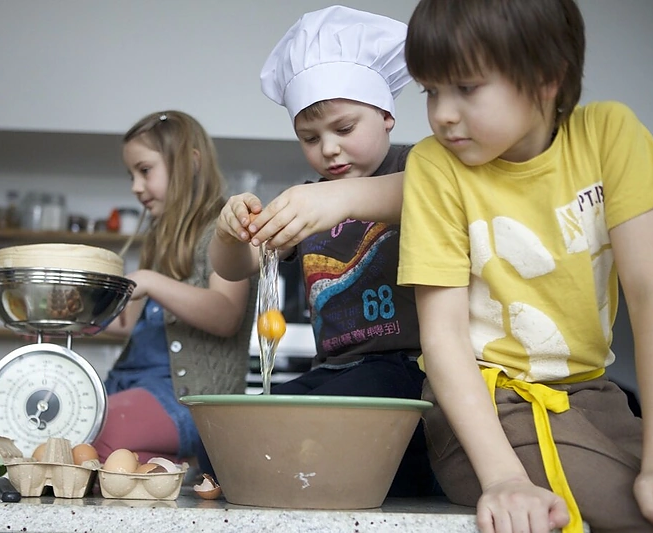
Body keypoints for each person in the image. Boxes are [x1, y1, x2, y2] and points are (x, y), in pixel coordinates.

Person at [397, 0, 653, 531]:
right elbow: (443, 338)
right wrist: (503, 479)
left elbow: (650, 290)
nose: (442, 113)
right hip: (486, 412)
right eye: (431, 91)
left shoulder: (611, 133)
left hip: (593, 396)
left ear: (546, 78)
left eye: (466, 88)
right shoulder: (433, 165)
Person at [210, 5, 437, 497]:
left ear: (386, 115)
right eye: (309, 138)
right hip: (331, 371)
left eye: (345, 128)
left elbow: (439, 193)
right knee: (228, 429)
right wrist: (228, 233)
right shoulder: (307, 199)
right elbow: (237, 266)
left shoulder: (420, 166)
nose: (329, 149)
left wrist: (333, 200)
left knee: (343, 411)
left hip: (409, 370)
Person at [93, 110, 257, 467]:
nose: (136, 186)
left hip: (188, 400)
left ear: (190, 164)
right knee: (76, 425)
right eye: (131, 175)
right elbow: (124, 324)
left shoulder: (222, 231)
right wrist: (69, 318)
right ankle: (170, 464)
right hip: (129, 387)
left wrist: (151, 281)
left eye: (145, 170)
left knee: (97, 430)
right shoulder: (158, 240)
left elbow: (227, 314)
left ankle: (171, 459)